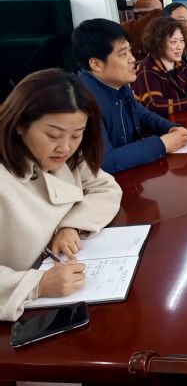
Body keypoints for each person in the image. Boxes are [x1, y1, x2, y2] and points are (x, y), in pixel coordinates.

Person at [0, 69, 122, 321]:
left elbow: (106, 188)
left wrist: (71, 226)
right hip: (25, 312)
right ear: (20, 124)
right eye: (53, 135)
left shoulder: (67, 157)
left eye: (77, 135)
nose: (65, 147)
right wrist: (36, 284)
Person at [72, 18, 187, 174]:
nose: (133, 59)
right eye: (123, 54)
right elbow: (105, 161)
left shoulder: (118, 84)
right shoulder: (82, 101)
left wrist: (171, 128)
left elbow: (142, 114)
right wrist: (161, 145)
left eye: (129, 51)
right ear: (96, 64)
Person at [132, 17, 187, 116]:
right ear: (159, 44)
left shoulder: (177, 64)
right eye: (173, 42)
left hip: (179, 119)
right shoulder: (147, 69)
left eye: (182, 40)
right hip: (157, 124)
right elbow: (154, 105)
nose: (180, 47)